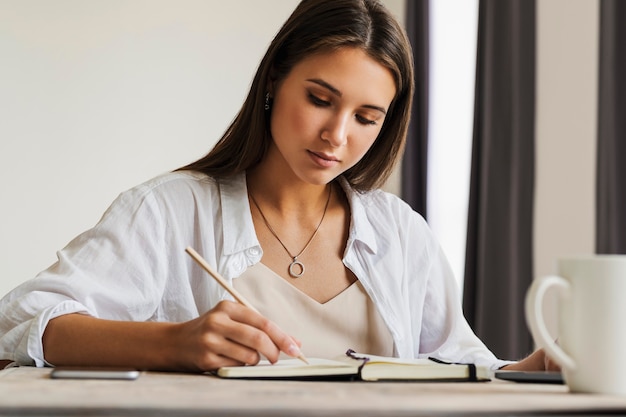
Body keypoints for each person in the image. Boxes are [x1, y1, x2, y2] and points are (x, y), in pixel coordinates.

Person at [0, 0, 552, 372]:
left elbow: (460, 367)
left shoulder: (400, 232)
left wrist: (535, 369)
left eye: (367, 117)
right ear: (272, 84)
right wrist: (174, 342)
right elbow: (21, 323)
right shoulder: (168, 211)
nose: (336, 135)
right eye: (319, 99)